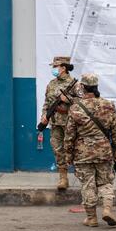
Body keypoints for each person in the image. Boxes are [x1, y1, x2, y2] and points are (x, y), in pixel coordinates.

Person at [64, 73, 116, 227]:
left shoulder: (76, 108)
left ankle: (92, 218)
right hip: (104, 152)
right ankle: (107, 210)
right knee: (106, 182)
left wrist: (68, 155)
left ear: (82, 87)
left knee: (88, 184)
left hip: (83, 153)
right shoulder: (108, 105)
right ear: (96, 87)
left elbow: (69, 135)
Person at [40, 56, 81, 191]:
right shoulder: (51, 84)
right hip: (55, 122)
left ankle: (83, 176)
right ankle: (63, 178)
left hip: (70, 123)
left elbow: (83, 103)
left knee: (74, 149)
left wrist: (68, 99)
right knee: (58, 149)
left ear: (63, 68)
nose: (54, 69)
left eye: (56, 67)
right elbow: (47, 102)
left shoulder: (75, 84)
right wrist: (44, 116)